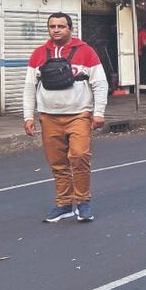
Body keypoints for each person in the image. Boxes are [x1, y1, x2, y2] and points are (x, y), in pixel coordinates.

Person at [23, 13, 108, 223]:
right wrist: (28, 116)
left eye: (61, 26)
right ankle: (64, 204)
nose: (56, 29)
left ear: (70, 29)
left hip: (79, 114)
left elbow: (100, 83)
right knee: (58, 163)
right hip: (48, 116)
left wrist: (99, 113)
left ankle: (83, 202)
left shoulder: (86, 52)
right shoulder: (39, 54)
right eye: (52, 26)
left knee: (79, 157)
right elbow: (28, 87)